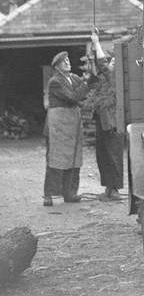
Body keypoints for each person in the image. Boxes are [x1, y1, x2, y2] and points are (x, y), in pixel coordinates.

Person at [43, 51, 90, 206]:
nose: (68, 63)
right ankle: (49, 194)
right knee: (56, 158)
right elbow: (73, 97)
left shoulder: (73, 78)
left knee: (74, 158)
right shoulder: (55, 81)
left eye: (68, 60)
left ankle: (69, 193)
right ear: (57, 67)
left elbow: (84, 87)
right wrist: (86, 84)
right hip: (58, 125)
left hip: (72, 124)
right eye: (64, 61)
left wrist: (92, 74)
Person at [87, 30, 124, 201]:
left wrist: (96, 42)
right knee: (103, 155)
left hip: (113, 124)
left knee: (114, 156)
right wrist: (93, 51)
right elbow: (98, 68)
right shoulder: (106, 77)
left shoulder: (116, 77)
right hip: (103, 122)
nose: (112, 61)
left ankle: (115, 189)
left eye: (115, 61)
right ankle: (109, 188)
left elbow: (102, 64)